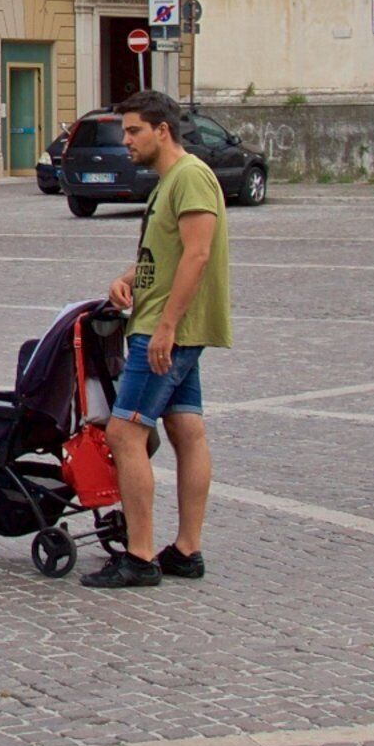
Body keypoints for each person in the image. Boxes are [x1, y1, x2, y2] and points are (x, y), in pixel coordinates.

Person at [87, 89, 228, 589]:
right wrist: (129, 276)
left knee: (125, 433)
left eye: (133, 131)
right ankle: (186, 550)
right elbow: (164, 254)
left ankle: (140, 555)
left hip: (165, 333)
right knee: (186, 430)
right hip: (166, 324)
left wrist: (165, 326)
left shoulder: (189, 177)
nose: (125, 140)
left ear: (162, 131)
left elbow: (197, 255)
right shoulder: (169, 183)